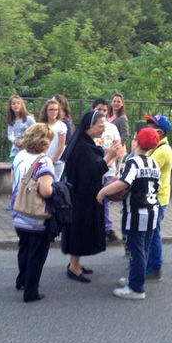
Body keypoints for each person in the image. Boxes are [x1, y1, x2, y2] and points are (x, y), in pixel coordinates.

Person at [96, 127, 161, 300]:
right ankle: (135, 279)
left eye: (134, 139)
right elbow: (157, 187)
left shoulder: (134, 162)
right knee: (143, 250)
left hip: (136, 214)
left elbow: (124, 183)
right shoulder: (154, 163)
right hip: (152, 212)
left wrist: (103, 192)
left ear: (137, 142)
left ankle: (136, 288)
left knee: (135, 250)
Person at [61, 110, 120, 282]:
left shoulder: (86, 143)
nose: (103, 130)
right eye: (100, 126)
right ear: (89, 126)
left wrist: (109, 158)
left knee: (81, 231)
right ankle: (73, 266)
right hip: (81, 198)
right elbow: (92, 172)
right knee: (79, 231)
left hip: (85, 195)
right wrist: (109, 157)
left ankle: (76, 263)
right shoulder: (82, 147)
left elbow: (95, 168)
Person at [11, 123, 56, 302]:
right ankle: (31, 291)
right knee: (37, 252)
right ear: (45, 142)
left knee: (24, 247)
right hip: (35, 214)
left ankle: (21, 279)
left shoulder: (20, 156)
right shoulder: (43, 161)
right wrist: (57, 190)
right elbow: (45, 191)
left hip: (18, 210)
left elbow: (13, 180)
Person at [143, 113, 172, 282]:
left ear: (159, 132)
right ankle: (149, 264)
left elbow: (144, 167)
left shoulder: (163, 151)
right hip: (153, 197)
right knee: (150, 233)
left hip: (158, 199)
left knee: (153, 233)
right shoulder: (156, 147)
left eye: (150, 124)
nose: (147, 126)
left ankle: (155, 268)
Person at [92, 98, 122, 242]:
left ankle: (107, 228)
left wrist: (112, 163)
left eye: (104, 110)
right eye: (99, 110)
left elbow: (118, 148)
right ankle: (96, 227)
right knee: (94, 198)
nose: (102, 112)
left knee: (105, 200)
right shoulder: (89, 127)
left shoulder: (112, 128)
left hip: (108, 169)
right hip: (94, 169)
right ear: (93, 110)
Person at [39, 99, 67, 180]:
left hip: (57, 161)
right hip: (43, 160)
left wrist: (51, 161)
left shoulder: (61, 126)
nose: (53, 112)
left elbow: (61, 146)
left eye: (56, 109)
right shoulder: (42, 125)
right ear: (46, 111)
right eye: (51, 109)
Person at [7, 95, 36, 163]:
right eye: (13, 103)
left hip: (27, 148)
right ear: (11, 106)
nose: (15, 105)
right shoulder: (11, 120)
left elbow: (36, 131)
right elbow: (10, 134)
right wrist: (14, 140)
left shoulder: (28, 118)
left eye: (18, 103)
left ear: (21, 105)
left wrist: (23, 140)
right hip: (16, 149)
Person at [108, 92, 130, 159]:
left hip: (118, 151)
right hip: (108, 148)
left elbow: (125, 135)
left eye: (118, 102)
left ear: (122, 104)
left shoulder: (122, 118)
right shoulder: (108, 116)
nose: (116, 103)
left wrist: (118, 146)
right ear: (111, 103)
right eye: (114, 101)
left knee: (116, 169)